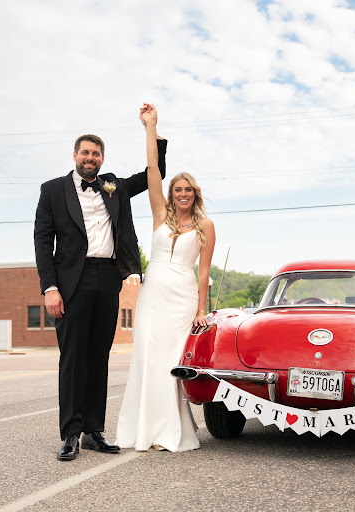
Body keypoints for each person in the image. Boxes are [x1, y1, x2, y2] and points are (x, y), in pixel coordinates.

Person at [34, 117, 167, 461]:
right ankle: (70, 433)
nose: (90, 158)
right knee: (73, 358)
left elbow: (155, 174)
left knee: (98, 356)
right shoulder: (52, 190)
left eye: (96, 154)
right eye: (85, 152)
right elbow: (43, 241)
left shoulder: (113, 186)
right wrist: (50, 287)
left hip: (108, 277)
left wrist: (152, 130)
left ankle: (94, 430)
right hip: (71, 283)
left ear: (102, 159)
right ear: (75, 155)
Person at [115, 103, 215, 452]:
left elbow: (204, 273)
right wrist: (150, 127)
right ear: (171, 194)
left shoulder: (205, 225)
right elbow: (153, 169)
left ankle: (170, 430)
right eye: (178, 190)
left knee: (171, 361)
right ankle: (145, 429)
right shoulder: (160, 214)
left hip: (182, 298)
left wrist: (200, 310)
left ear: (195, 194)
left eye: (188, 190)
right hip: (153, 293)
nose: (182, 194)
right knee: (148, 356)